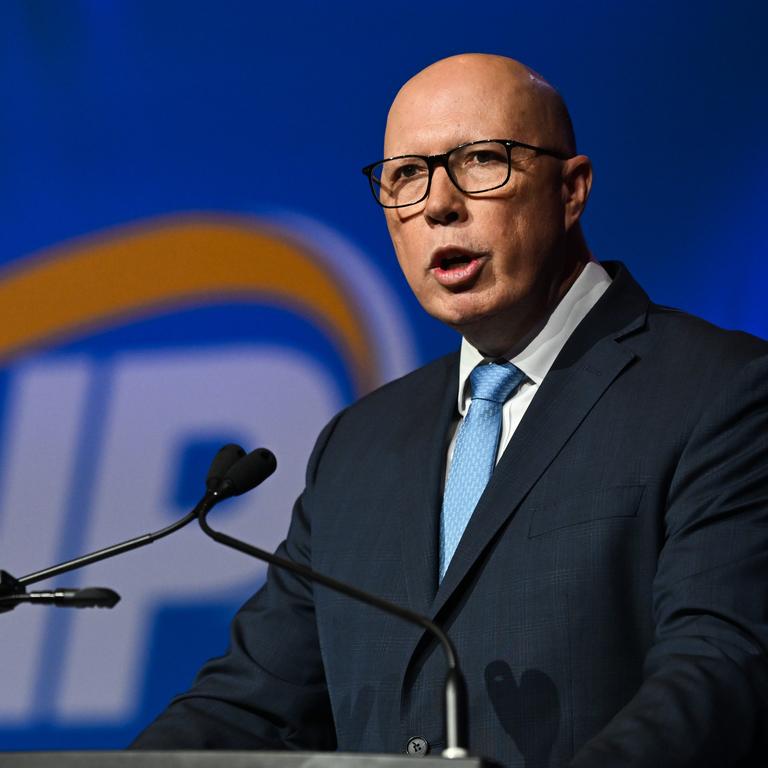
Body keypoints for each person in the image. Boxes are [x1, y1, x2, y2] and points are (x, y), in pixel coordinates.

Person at [132, 54, 768, 767]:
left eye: (481, 160)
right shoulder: (359, 445)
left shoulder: (722, 390)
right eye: (405, 175)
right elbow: (249, 705)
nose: (438, 204)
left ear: (572, 190)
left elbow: (721, 668)